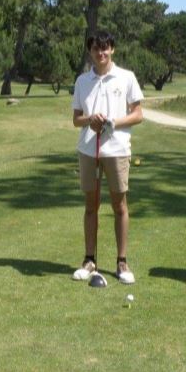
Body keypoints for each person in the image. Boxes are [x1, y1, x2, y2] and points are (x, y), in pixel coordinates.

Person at [71, 31, 144, 285]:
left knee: (119, 205)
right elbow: (76, 119)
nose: (100, 53)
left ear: (112, 49)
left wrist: (113, 122)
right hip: (89, 150)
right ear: (90, 52)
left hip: (117, 149)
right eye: (95, 49)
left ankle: (122, 262)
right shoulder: (83, 81)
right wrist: (89, 120)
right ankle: (90, 260)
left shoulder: (126, 77)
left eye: (105, 48)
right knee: (91, 206)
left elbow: (138, 114)